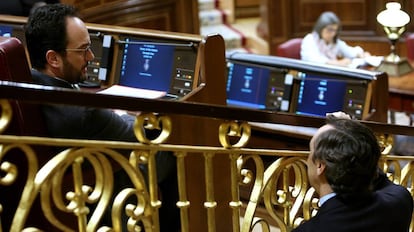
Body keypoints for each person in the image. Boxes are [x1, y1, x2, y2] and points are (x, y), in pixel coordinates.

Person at [24, 3, 179, 231]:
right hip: (98, 195)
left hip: (60, 188)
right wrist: (124, 114)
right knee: (170, 147)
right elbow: (134, 135)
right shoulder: (85, 113)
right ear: (53, 59)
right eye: (83, 49)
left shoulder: (26, 83)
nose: (91, 56)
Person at [292, 112, 413, 232]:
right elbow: (372, 172)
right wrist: (353, 136)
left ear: (320, 165)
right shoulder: (399, 202)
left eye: (311, 150)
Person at [301, 11, 371, 67]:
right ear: (320, 28)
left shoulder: (334, 41)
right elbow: (312, 60)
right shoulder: (310, 39)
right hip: (313, 76)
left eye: (335, 30)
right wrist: (337, 63)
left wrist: (360, 54)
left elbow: (349, 51)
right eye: (329, 30)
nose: (333, 34)